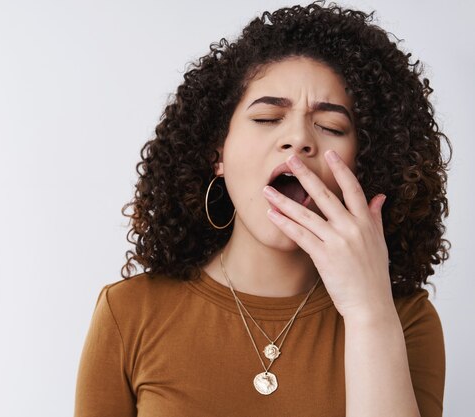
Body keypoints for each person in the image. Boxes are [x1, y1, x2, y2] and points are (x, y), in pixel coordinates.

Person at [74, 1, 451, 416]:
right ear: (218, 151)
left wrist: (368, 314)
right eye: (268, 117)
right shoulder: (128, 314)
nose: (298, 140)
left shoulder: (404, 319)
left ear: (366, 164)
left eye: (330, 127)